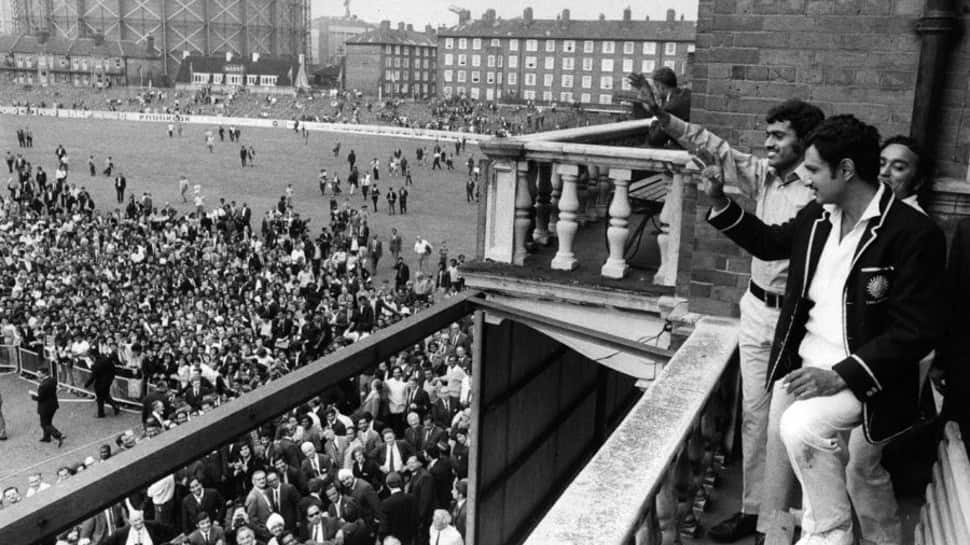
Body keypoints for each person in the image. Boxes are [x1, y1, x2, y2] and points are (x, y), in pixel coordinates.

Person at [705, 115, 945, 545]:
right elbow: (770, 243)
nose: (804, 177)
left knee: (804, 430)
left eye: (813, 169)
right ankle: (820, 531)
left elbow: (916, 331)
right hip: (803, 368)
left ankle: (831, 535)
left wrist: (840, 374)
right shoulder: (818, 217)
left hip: (863, 377)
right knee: (801, 459)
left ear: (846, 170)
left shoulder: (913, 234)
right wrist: (720, 204)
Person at [635, 80, 825, 543]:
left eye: (778, 136)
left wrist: (722, 204)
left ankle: (785, 519)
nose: (768, 143)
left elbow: (771, 240)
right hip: (757, 308)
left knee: (797, 422)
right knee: (757, 415)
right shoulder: (764, 175)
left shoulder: (818, 192)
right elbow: (717, 150)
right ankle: (756, 513)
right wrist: (669, 123)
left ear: (804, 143)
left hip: (798, 321)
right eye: (768, 135)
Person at [631, 67, 692, 149]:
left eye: (653, 88)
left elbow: (654, 139)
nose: (653, 92)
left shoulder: (672, 107)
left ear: (660, 86)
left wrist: (653, 113)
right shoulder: (686, 93)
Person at [84, 350, 121, 418]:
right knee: (106, 395)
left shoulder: (96, 364)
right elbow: (113, 369)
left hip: (100, 383)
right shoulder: (106, 359)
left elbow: (93, 376)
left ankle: (101, 413)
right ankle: (115, 407)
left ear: (92, 356)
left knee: (100, 399)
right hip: (108, 381)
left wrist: (87, 384)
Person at [35, 365, 64, 447]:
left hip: (45, 406)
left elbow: (40, 397)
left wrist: (34, 396)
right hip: (53, 405)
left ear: (43, 374)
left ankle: (58, 435)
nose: (37, 375)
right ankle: (46, 437)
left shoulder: (43, 385)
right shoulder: (52, 380)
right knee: (48, 422)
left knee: (44, 424)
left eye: (39, 373)